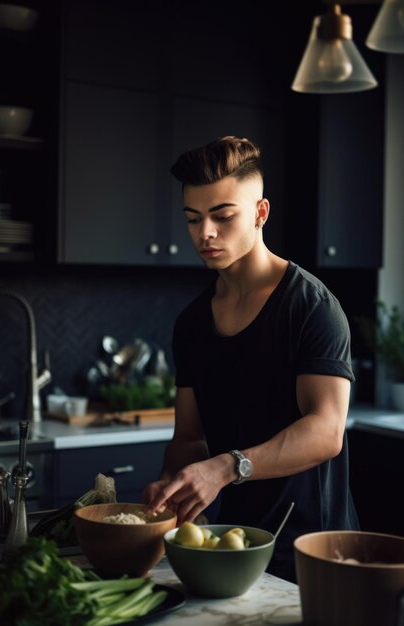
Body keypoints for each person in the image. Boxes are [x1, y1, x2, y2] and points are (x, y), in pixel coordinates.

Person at [143, 135, 359, 582]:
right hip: (232, 544)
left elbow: (326, 432)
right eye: (193, 219)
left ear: (260, 213)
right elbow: (189, 438)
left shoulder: (311, 306)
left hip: (313, 551)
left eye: (222, 216)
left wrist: (226, 467)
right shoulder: (192, 323)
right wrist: (173, 487)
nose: (205, 233)